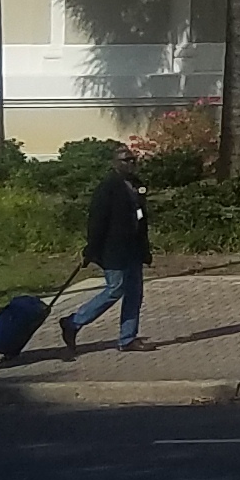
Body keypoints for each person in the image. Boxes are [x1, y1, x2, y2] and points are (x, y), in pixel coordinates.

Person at [58, 153, 151, 357]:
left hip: (134, 248)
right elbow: (97, 221)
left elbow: (142, 218)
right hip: (113, 249)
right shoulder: (107, 187)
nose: (131, 163)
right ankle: (73, 322)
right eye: (126, 160)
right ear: (115, 163)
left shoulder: (137, 185)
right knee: (115, 289)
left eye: (133, 159)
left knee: (135, 293)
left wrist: (145, 247)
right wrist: (91, 249)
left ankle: (127, 338)